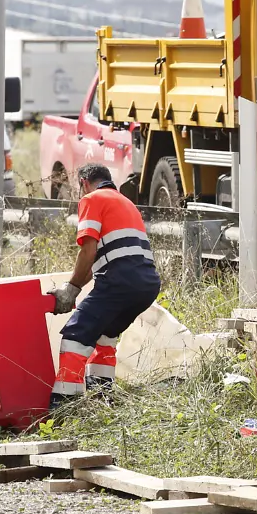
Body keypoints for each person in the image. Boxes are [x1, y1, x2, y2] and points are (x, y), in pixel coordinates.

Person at [48, 164, 161, 409]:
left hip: (120, 281)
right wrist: (76, 286)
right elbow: (108, 256)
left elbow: (88, 252)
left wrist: (70, 289)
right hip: (147, 284)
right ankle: (102, 401)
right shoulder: (126, 203)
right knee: (104, 337)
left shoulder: (92, 199)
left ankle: (66, 406)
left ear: (83, 183)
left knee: (75, 335)